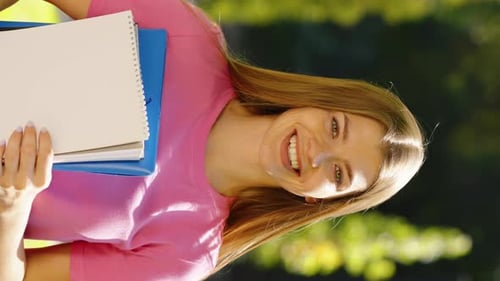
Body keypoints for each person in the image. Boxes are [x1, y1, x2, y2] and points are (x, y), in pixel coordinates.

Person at [0, 0, 425, 280]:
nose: (318, 151)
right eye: (335, 127)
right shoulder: (189, 37)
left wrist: (12, 209)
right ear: (318, 100)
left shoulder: (185, 254)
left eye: (338, 173)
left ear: (322, 200)